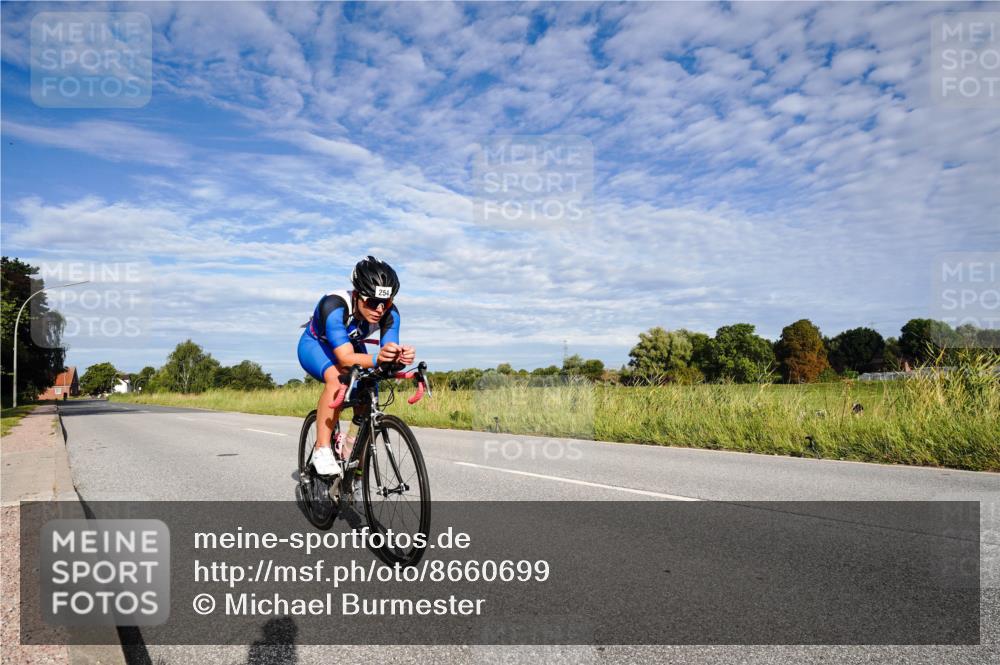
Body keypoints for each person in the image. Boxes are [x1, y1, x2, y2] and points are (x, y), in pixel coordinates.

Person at [297, 256, 415, 477]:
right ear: (357, 295)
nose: (380, 309)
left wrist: (399, 357)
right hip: (316, 345)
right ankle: (322, 449)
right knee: (338, 378)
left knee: (370, 388)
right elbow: (344, 358)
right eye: (372, 302)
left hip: (351, 345)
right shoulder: (334, 304)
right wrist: (377, 359)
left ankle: (352, 450)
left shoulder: (390, 313)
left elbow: (386, 352)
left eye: (386, 302)